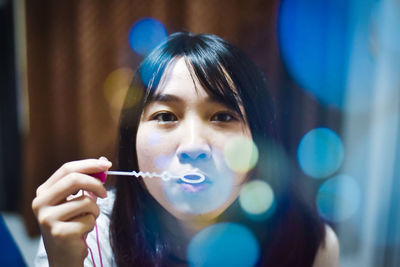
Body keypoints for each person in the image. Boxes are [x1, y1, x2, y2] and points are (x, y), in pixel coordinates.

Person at [32, 32, 339, 266]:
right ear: (132, 140)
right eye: (165, 116)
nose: (193, 146)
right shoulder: (83, 236)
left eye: (222, 117)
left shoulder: (311, 244)